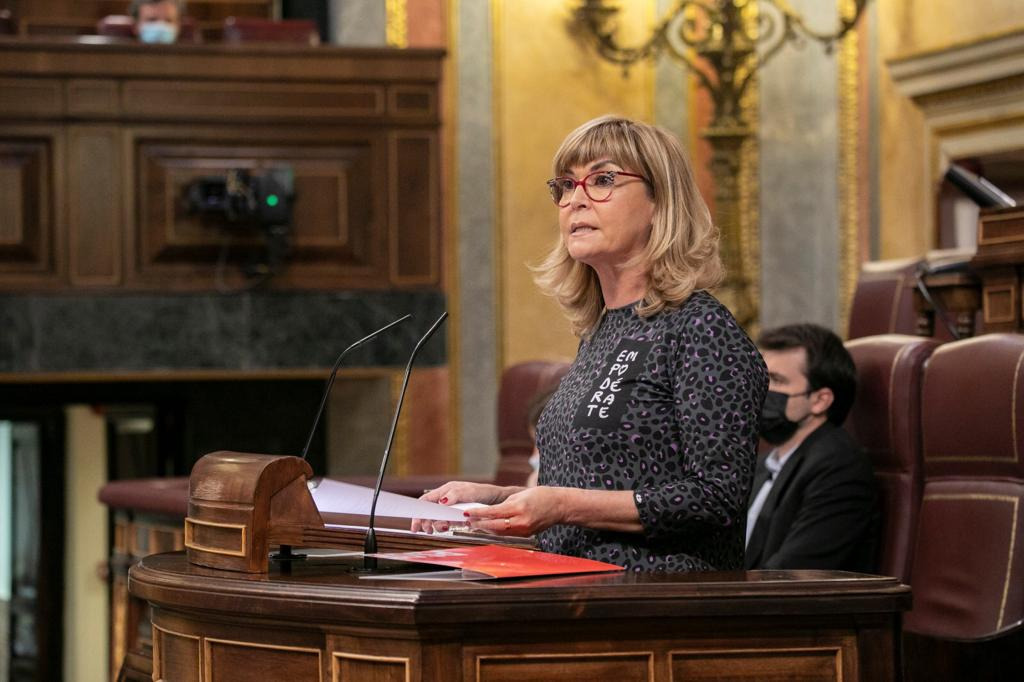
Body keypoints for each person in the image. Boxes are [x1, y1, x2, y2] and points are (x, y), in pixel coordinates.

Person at [417, 115, 768, 572]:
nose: (575, 200)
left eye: (602, 180)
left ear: (660, 202)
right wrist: (498, 499)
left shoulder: (701, 330)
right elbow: (593, 481)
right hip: (573, 586)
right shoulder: (602, 332)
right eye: (565, 185)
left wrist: (561, 506)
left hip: (657, 600)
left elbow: (717, 497)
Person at [744, 323, 877, 572]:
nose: (758, 389)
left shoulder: (838, 468)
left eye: (776, 380)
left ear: (819, 400)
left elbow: (792, 572)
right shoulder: (762, 463)